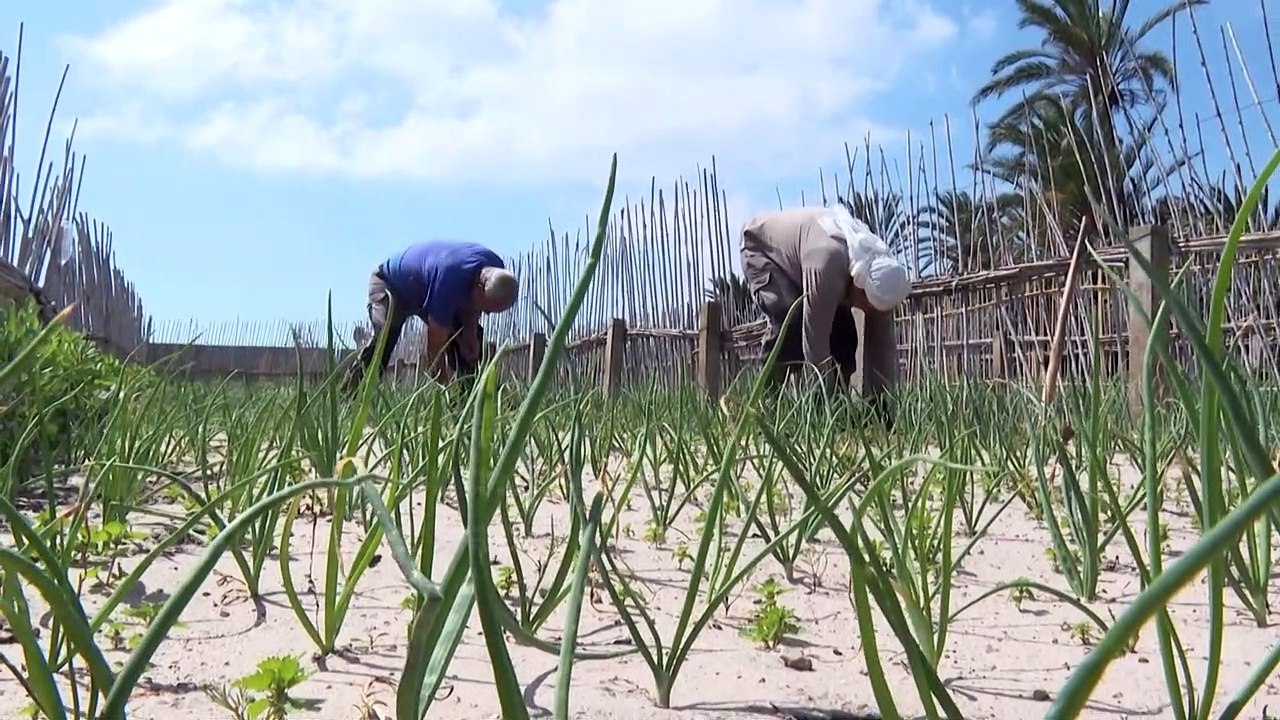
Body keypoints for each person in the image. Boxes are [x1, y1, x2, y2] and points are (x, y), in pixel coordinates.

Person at [739, 204, 910, 403]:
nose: (869, 311)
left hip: (809, 256)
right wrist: (821, 402)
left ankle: (839, 406)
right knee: (790, 320)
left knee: (844, 337)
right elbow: (815, 341)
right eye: (869, 305)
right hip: (762, 248)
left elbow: (883, 348)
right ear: (860, 286)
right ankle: (766, 402)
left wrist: (884, 403)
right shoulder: (827, 267)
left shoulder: (884, 276)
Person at [343, 239, 519, 392]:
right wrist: (443, 380)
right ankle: (352, 398)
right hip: (390, 283)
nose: (486, 313)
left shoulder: (494, 268)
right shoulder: (449, 278)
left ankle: (470, 401)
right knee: (384, 340)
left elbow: (472, 303)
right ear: (480, 287)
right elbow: (435, 344)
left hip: (425, 287)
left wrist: (470, 333)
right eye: (487, 308)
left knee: (467, 344)